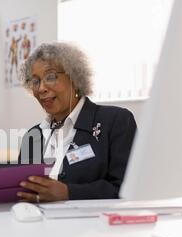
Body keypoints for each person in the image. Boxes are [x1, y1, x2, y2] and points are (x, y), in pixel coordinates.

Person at [18, 42, 137, 202]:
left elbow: (127, 188)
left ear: (74, 78)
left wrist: (69, 192)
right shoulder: (33, 136)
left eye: (51, 77)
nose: (41, 89)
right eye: (35, 81)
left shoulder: (116, 121)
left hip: (94, 226)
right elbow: (22, 192)